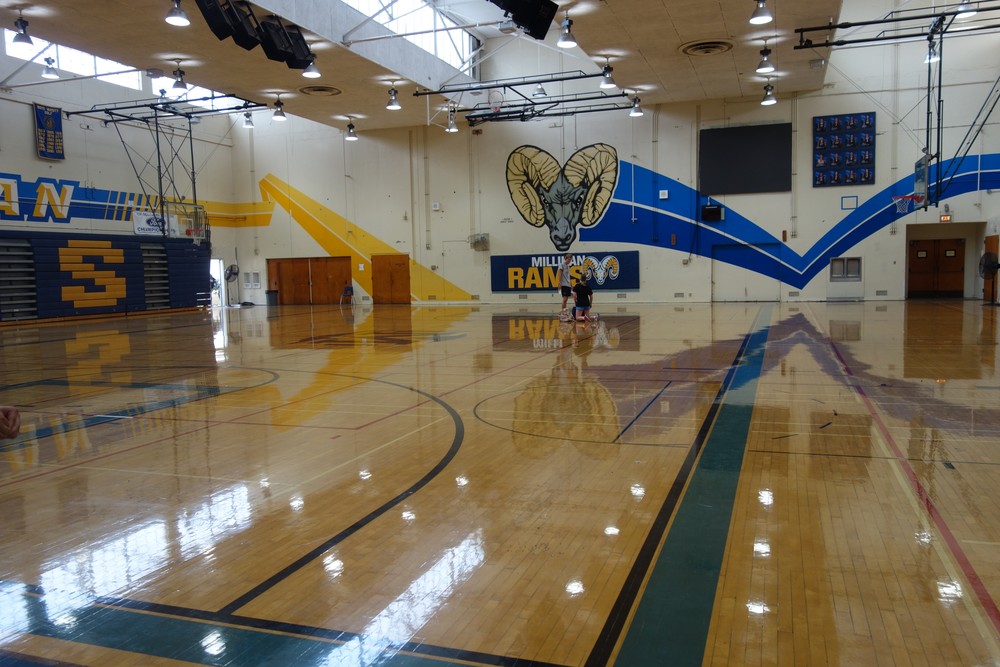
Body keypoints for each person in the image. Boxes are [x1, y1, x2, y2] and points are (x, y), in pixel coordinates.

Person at [555, 253, 573, 319]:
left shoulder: (568, 266)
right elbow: (559, 274)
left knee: (566, 299)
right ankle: (563, 312)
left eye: (571, 260)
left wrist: (570, 283)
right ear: (566, 259)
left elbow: (568, 276)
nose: (570, 261)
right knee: (565, 299)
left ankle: (564, 311)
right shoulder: (561, 265)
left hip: (568, 284)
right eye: (569, 259)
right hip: (564, 284)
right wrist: (559, 283)